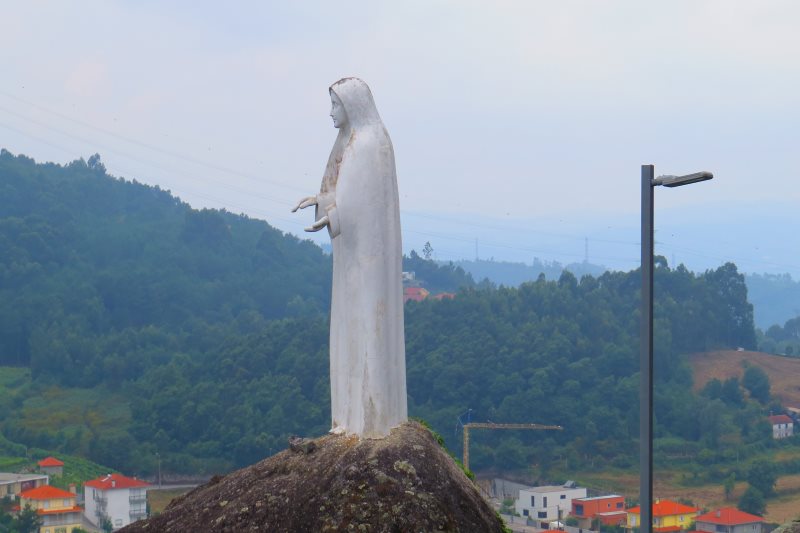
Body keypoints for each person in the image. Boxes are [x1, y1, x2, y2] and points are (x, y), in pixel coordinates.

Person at [292, 78, 407, 438]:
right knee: (348, 328)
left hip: (368, 261)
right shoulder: (351, 141)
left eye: (335, 105)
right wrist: (322, 202)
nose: (330, 113)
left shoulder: (371, 144)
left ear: (352, 106)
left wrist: (334, 215)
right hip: (350, 258)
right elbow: (343, 192)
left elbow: (365, 203)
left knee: (366, 327)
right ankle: (348, 416)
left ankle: (370, 419)